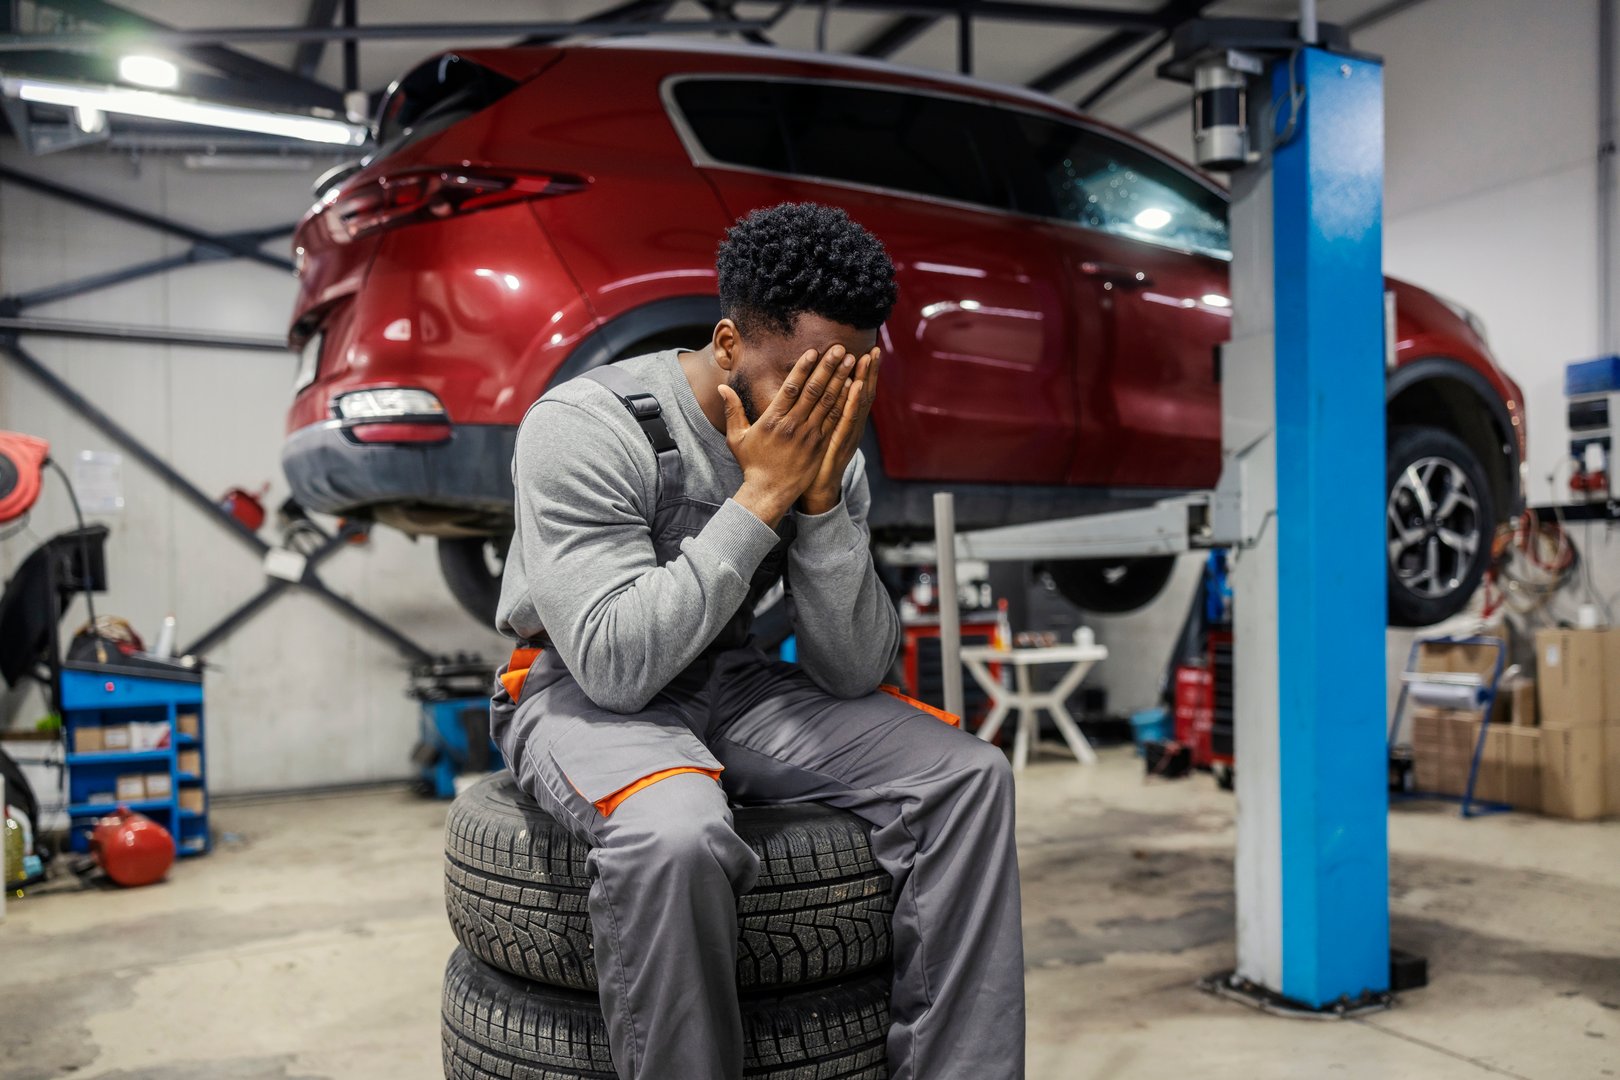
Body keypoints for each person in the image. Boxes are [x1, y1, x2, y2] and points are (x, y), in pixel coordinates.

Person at [491, 201, 1024, 1080]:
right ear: (730, 345)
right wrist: (760, 498)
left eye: (850, 382)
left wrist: (818, 504)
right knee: (675, 836)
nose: (826, 409)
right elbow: (616, 666)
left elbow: (852, 669)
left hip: (731, 678)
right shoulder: (586, 425)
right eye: (805, 381)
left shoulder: (833, 451)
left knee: (969, 779)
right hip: (577, 682)